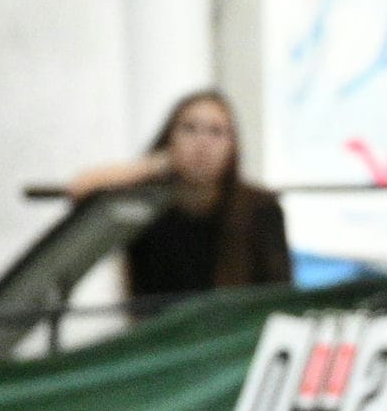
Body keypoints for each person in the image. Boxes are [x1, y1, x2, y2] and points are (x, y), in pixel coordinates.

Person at [66, 90, 292, 305]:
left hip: (234, 328)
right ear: (170, 137)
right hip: (159, 329)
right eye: (189, 129)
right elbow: (81, 189)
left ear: (233, 146)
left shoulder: (260, 207)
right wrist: (153, 164)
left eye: (216, 131)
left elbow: (279, 293)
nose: (202, 143)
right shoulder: (148, 204)